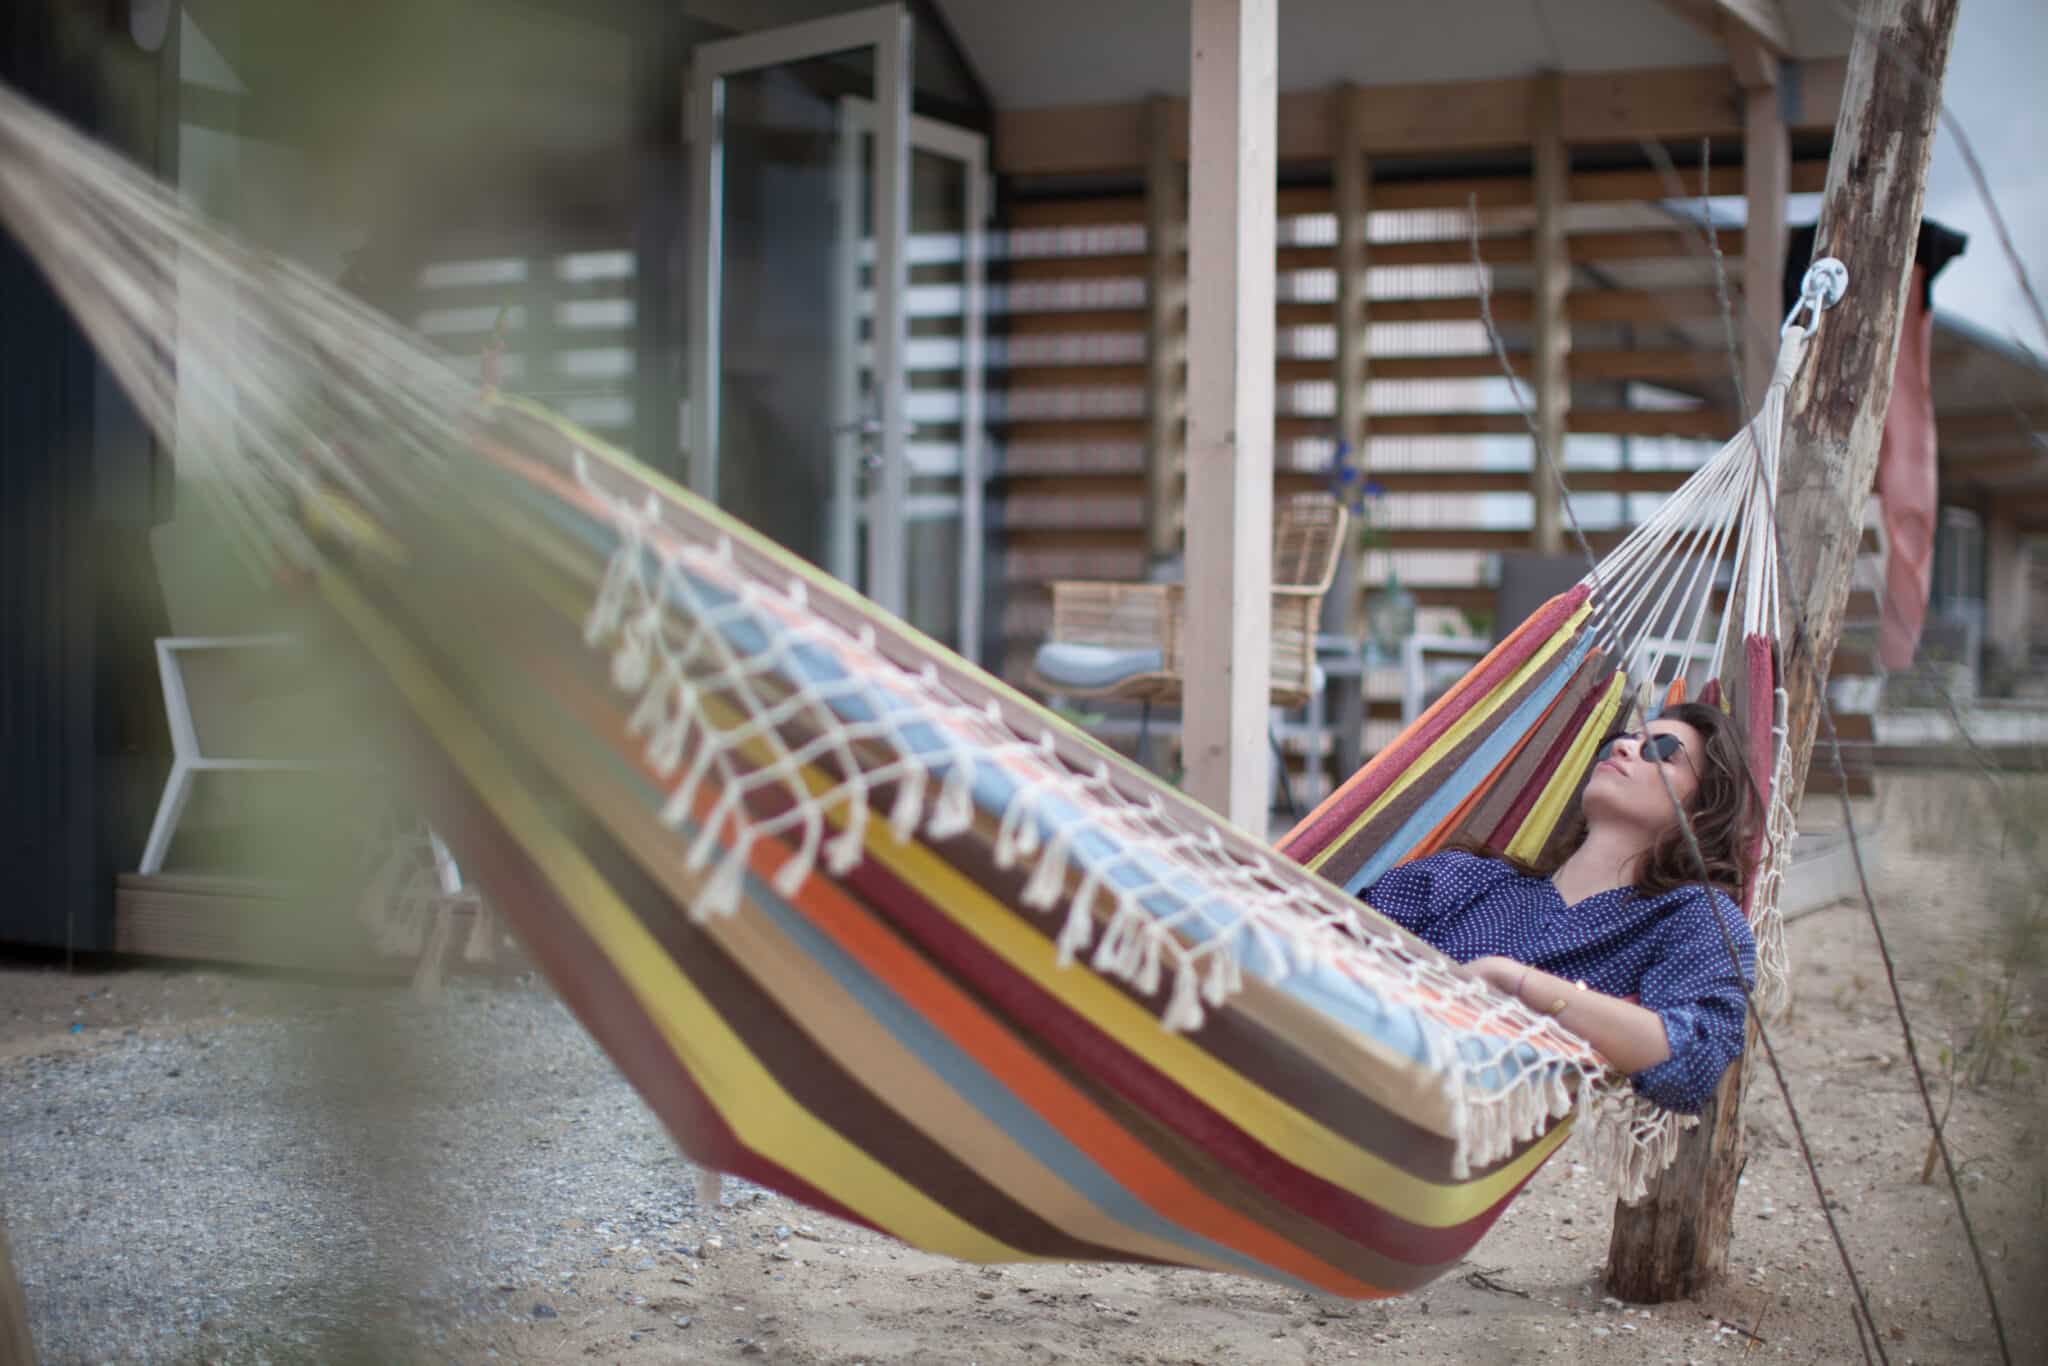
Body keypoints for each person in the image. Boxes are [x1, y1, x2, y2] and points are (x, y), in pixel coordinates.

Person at [1362, 700, 1758, 1113]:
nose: (1623, 749)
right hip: (1352, 1056)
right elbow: (1331, 941)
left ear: (1702, 811)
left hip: (1456, 1121)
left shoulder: (1687, 916)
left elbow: (1693, 1060)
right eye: (1619, 742)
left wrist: (1514, 981)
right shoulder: (1462, 878)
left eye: (1659, 749)